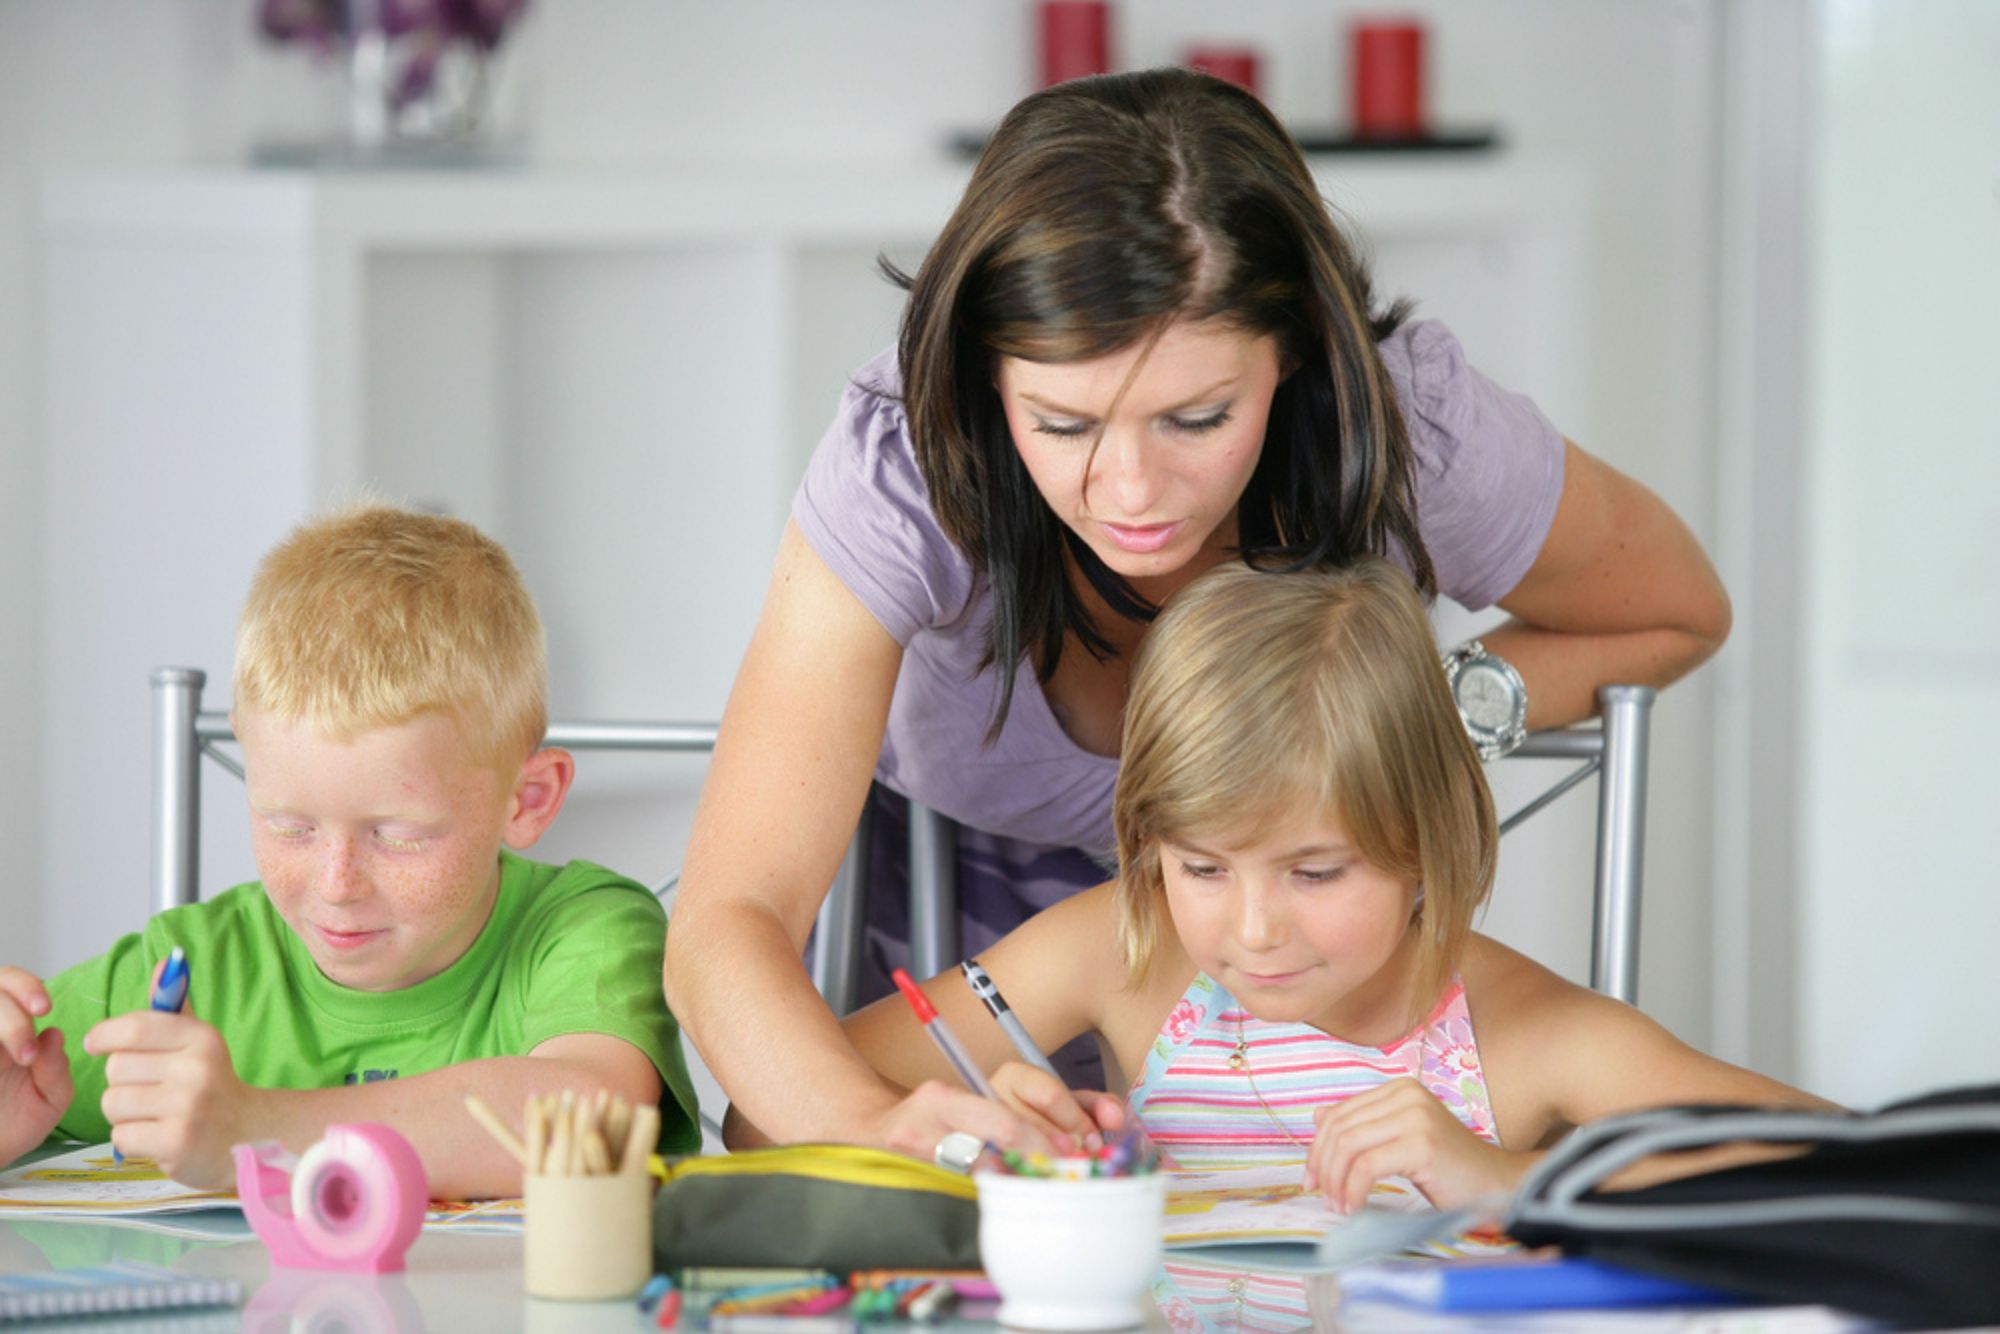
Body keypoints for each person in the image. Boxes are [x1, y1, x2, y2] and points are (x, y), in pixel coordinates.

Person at [669, 67, 1733, 1161]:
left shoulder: (1410, 428)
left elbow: (1672, 611)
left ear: (1298, 357)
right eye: (1061, 422)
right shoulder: (904, 469)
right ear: (986, 382)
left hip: (1323, 1047)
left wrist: (1416, 721)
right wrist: (872, 1127)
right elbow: (727, 923)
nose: (1128, 491)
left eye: (1195, 416)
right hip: (963, 988)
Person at [827, 560, 1829, 1207]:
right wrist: (982, 1140)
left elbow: (1857, 1166)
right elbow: (773, 1111)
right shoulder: (1124, 948)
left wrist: (1505, 1180)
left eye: (1313, 870)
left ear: (1422, 842)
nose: (1253, 928)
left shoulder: (1516, 1033)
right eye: (1201, 865)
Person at [0, 503, 701, 1196]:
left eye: (399, 836)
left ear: (529, 800)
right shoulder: (203, 964)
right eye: (289, 826)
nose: (337, 884)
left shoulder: (586, 929)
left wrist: (254, 1127)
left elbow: (587, 1119)